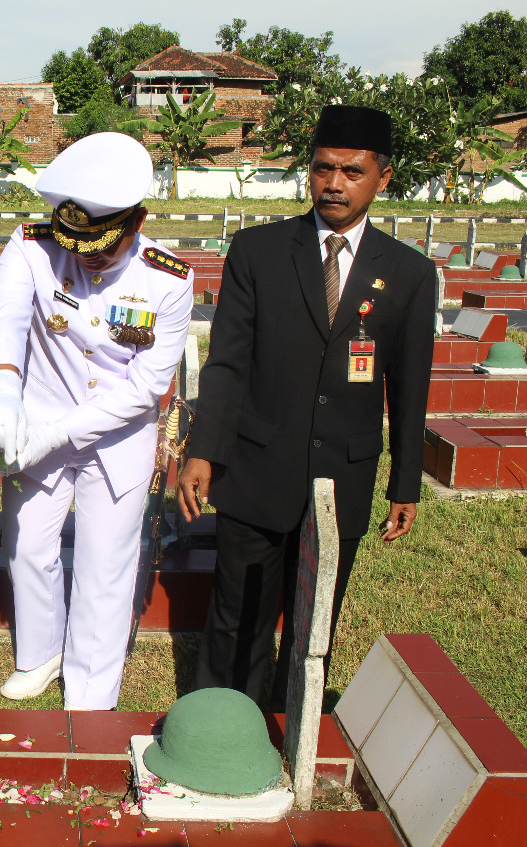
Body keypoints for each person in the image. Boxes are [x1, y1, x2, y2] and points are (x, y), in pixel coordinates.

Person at [178, 105, 436, 709]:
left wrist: (405, 484)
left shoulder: (409, 273)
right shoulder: (259, 252)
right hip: (256, 465)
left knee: (315, 615)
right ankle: (220, 725)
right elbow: (228, 363)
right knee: (238, 611)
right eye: (323, 169)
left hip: (342, 474)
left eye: (352, 171)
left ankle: (293, 723)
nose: (335, 184)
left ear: (383, 178)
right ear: (308, 172)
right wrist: (203, 453)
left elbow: (410, 387)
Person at [0, 132, 194, 711]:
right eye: (78, 243)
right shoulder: (31, 245)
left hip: (118, 438)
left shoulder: (167, 277)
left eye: (103, 243)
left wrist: (62, 431)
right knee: (25, 546)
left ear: (138, 219)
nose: (88, 256)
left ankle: (91, 690)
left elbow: (147, 385)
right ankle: (40, 653)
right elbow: (5, 318)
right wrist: (0, 388)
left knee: (104, 564)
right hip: (37, 424)